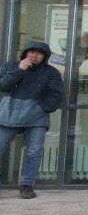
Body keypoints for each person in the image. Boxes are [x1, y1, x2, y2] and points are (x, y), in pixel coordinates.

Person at [0, 41, 64, 198]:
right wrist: (20, 70)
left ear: (45, 56)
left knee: (34, 151)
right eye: (31, 51)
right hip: (9, 114)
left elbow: (56, 95)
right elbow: (2, 86)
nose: (34, 55)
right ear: (25, 53)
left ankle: (26, 185)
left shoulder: (51, 73)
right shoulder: (10, 67)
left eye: (39, 53)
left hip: (37, 117)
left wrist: (41, 108)